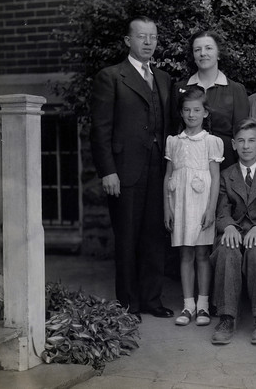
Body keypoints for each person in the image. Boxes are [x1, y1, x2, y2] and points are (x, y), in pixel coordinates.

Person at [90, 16, 175, 320]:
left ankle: (151, 300)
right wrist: (107, 170)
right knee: (127, 237)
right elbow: (100, 129)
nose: (148, 42)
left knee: (154, 236)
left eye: (152, 36)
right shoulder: (111, 77)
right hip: (124, 170)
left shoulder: (164, 79)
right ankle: (129, 304)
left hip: (158, 168)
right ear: (128, 41)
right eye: (141, 36)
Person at [210, 118, 256, 345]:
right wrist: (228, 226)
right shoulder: (226, 175)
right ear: (233, 144)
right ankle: (227, 317)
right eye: (241, 141)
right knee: (227, 250)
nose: (246, 146)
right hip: (233, 230)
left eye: (251, 141)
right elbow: (221, 210)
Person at [163, 88, 223, 327]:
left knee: (201, 254)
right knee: (185, 253)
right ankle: (188, 305)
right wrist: (166, 208)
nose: (191, 114)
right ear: (181, 112)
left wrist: (211, 209)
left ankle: (203, 306)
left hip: (202, 204)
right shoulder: (173, 142)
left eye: (197, 110)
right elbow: (168, 177)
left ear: (205, 113)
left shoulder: (212, 142)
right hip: (179, 204)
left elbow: (216, 178)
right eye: (187, 110)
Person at [176, 30, 249, 169]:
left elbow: (242, 133)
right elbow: (174, 128)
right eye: (197, 49)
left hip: (225, 164)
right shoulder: (179, 88)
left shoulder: (235, 89)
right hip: (187, 163)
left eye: (208, 48)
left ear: (219, 53)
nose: (203, 53)